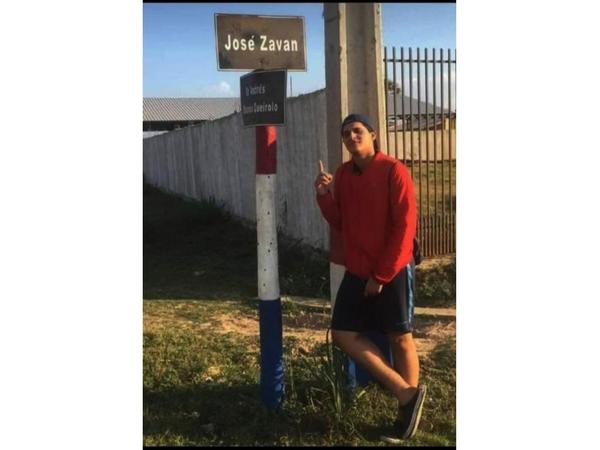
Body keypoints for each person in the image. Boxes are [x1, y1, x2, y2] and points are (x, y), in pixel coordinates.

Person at [315, 113, 426, 441]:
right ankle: (406, 394)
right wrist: (324, 196)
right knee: (342, 332)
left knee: (399, 337)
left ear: (373, 135)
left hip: (393, 267)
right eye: (346, 133)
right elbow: (341, 222)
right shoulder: (343, 175)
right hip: (358, 269)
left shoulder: (393, 170)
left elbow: (404, 227)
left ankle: (406, 415)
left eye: (357, 131)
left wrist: (381, 275)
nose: (351, 137)